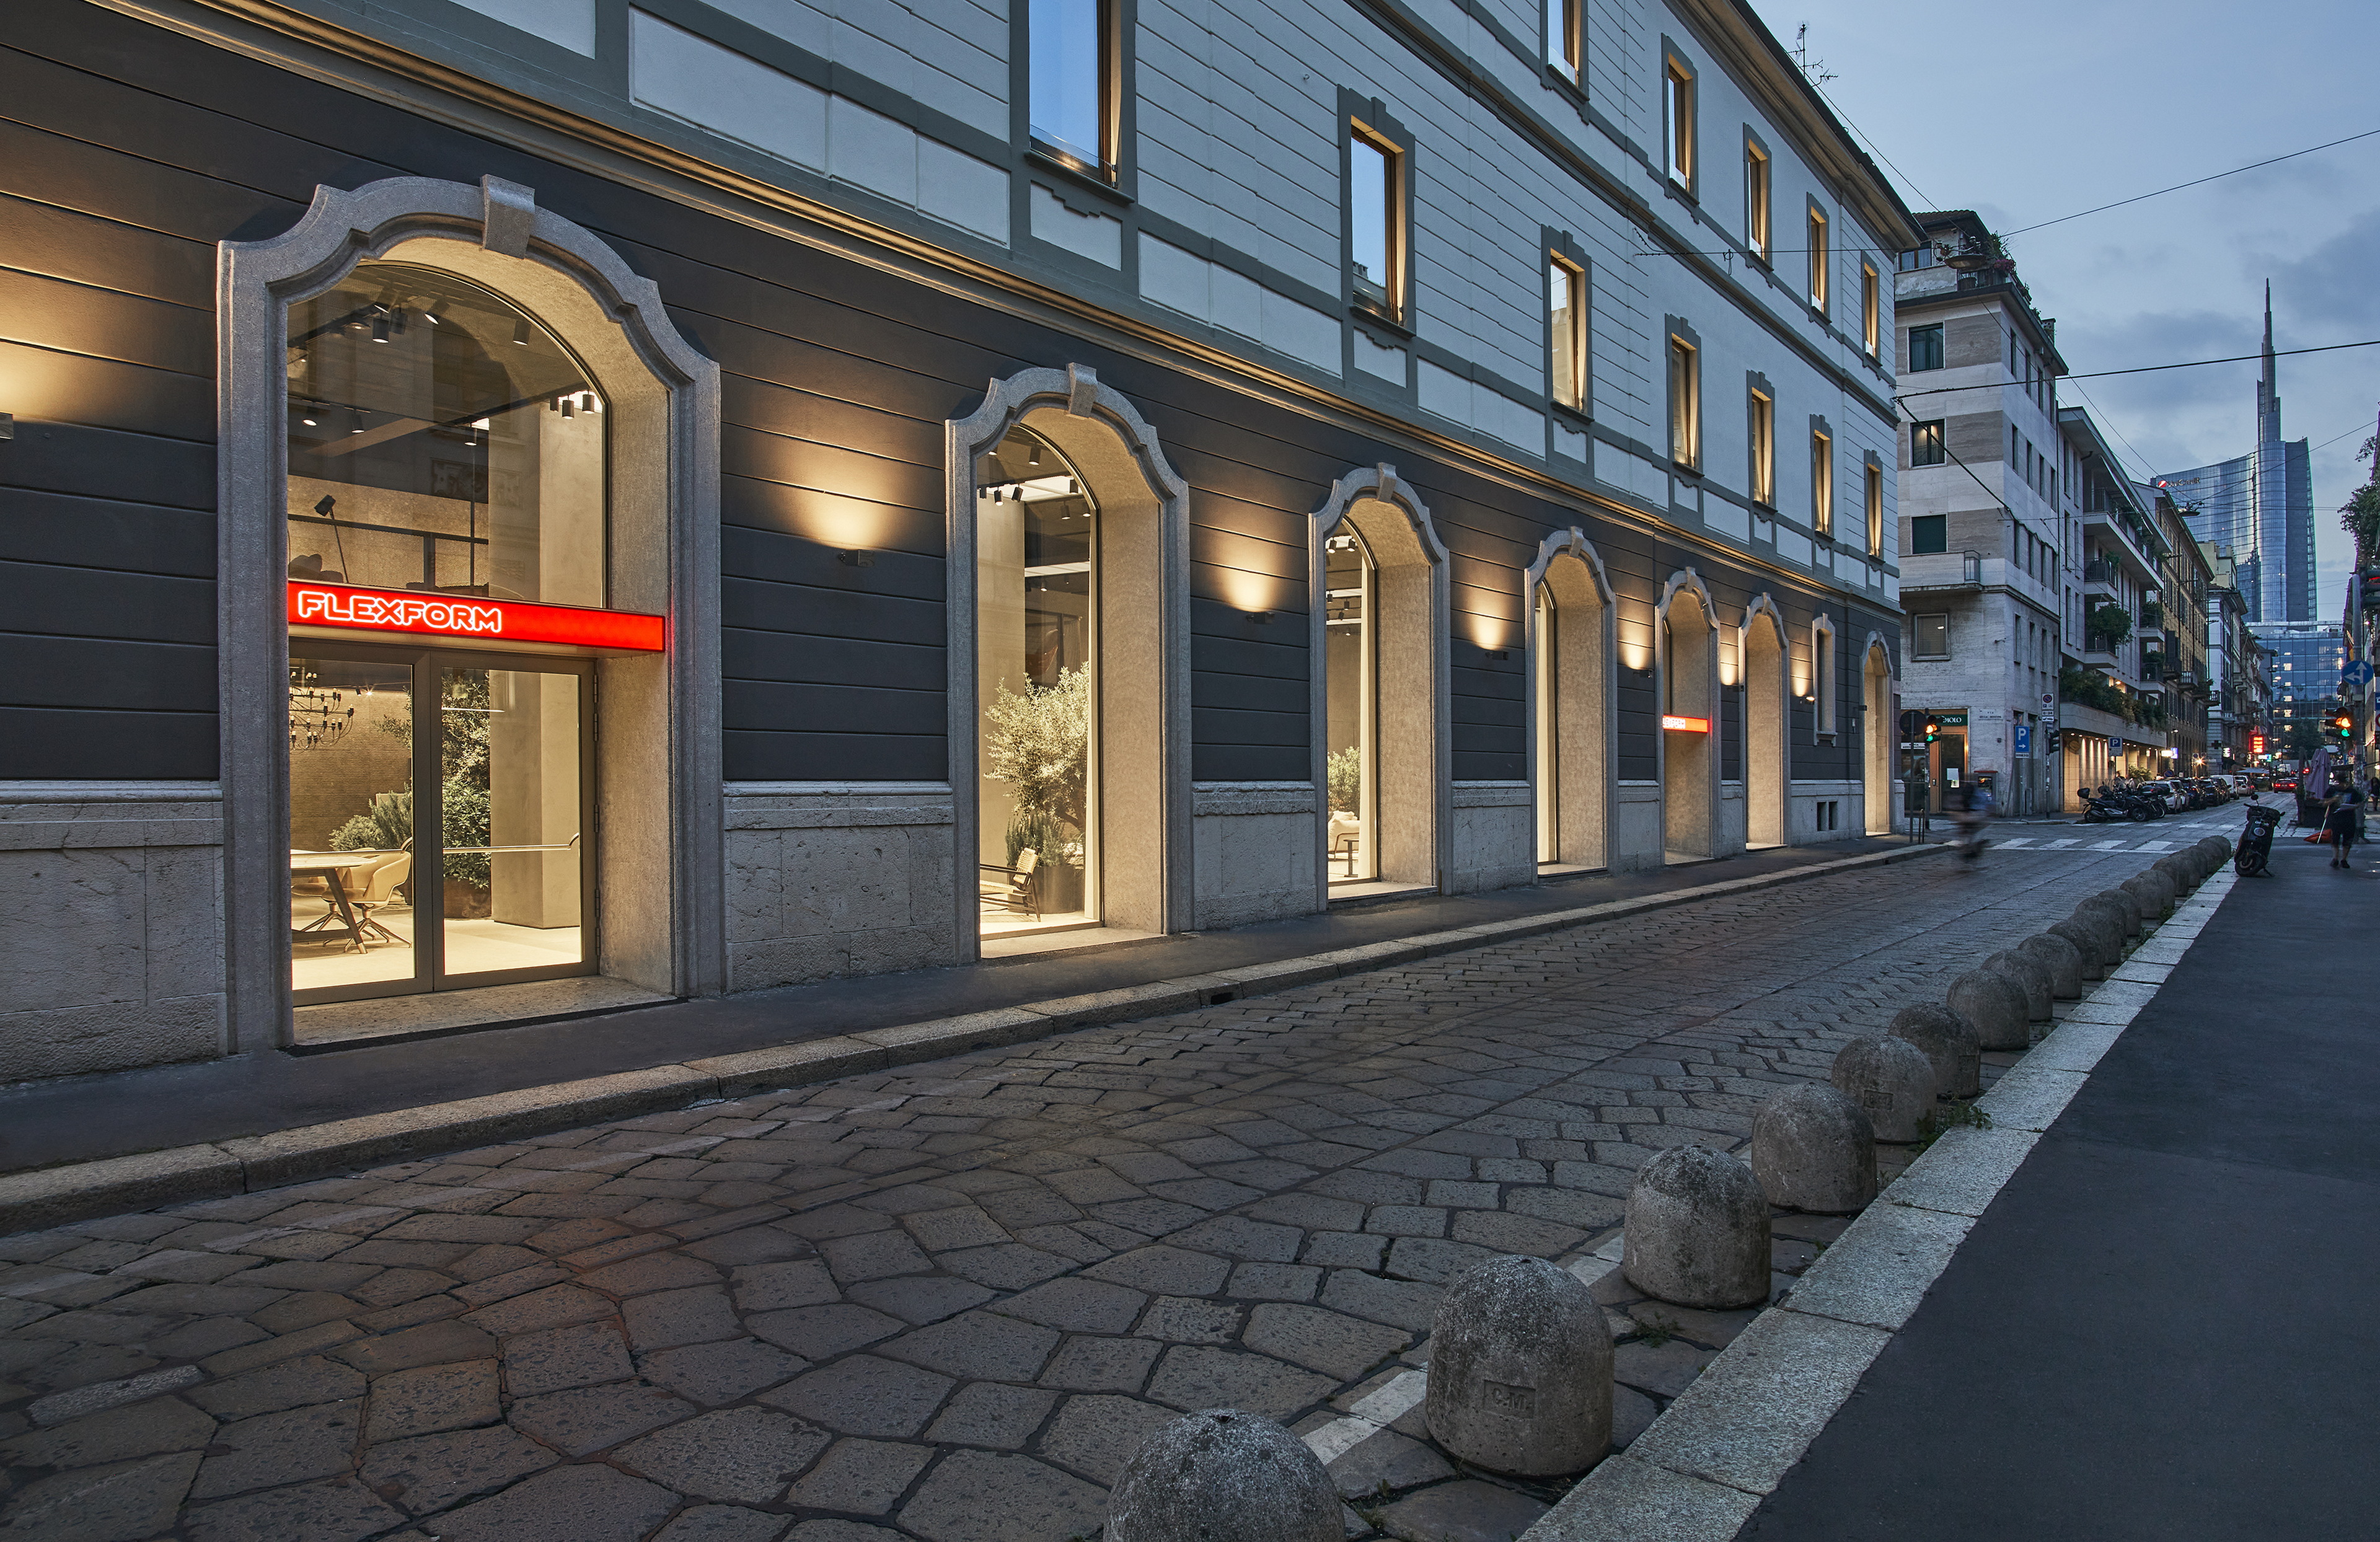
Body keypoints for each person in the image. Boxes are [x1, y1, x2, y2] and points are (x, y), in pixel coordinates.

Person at [2327, 781, 2364, 869]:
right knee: (2335, 839)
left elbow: (2359, 802)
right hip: (2336, 819)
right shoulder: (2332, 790)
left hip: (2349, 819)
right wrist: (2333, 800)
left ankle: (2344, 859)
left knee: (2347, 840)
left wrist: (2355, 807)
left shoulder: (2353, 791)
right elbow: (2324, 802)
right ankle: (2335, 858)